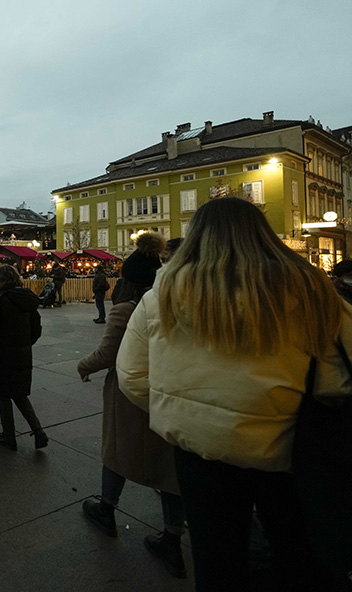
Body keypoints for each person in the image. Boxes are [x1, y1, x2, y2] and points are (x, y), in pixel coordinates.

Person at [117, 197, 349, 591]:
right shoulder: (312, 290)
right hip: (291, 446)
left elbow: (132, 377)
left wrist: (182, 411)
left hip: (200, 450)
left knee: (216, 558)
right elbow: (339, 372)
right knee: (300, 552)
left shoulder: (163, 294)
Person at [77, 233, 187, 579]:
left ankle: (106, 509)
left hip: (129, 393)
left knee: (118, 452)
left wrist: (83, 366)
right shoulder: (175, 302)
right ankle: (172, 537)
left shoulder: (127, 308)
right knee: (169, 470)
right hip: (168, 390)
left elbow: (107, 353)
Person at [0, 264, 49, 451]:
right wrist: (24, 344)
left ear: (3, 281)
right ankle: (38, 431)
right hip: (22, 354)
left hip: (2, 354)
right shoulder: (26, 300)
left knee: (3, 394)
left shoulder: (1, 301)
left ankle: (9, 435)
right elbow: (36, 328)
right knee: (19, 394)